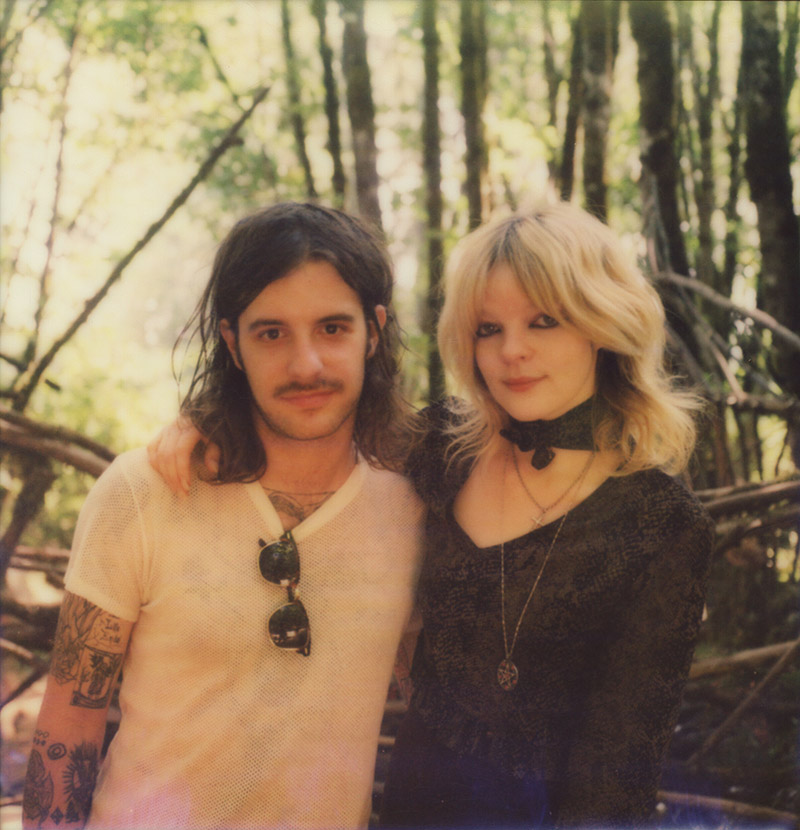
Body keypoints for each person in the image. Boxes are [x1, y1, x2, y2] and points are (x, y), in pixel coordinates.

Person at [147, 202, 715, 828]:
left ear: (602, 323)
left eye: (544, 321)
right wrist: (204, 417)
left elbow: (620, 775)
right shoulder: (443, 445)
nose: (512, 352)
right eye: (488, 328)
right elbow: (310, 432)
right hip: (409, 806)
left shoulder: (664, 526)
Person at [22, 203, 424, 830]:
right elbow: (69, 723)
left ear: (373, 331)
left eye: (332, 329)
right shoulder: (143, 493)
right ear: (233, 342)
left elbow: (438, 704)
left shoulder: (414, 514)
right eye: (272, 333)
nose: (305, 365)